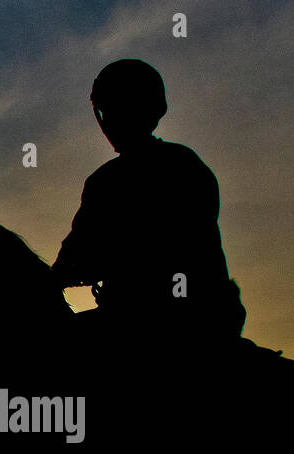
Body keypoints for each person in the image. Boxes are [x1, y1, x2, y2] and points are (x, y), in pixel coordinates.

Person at [52, 59, 246, 352]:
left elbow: (76, 259)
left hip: (143, 326)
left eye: (111, 109)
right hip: (214, 320)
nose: (107, 121)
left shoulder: (108, 181)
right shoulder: (187, 163)